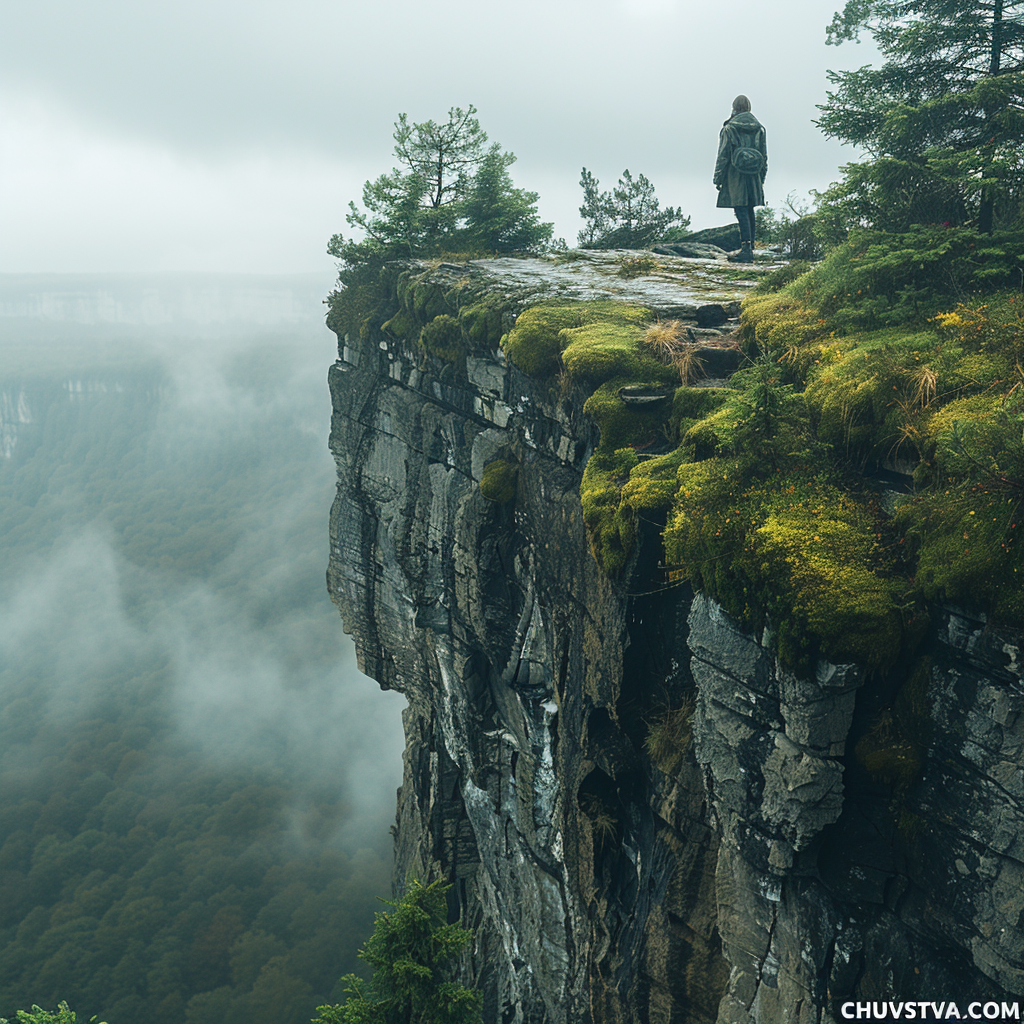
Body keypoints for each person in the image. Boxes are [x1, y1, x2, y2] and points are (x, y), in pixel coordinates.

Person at [713, 95, 767, 264]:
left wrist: (718, 177)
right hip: (754, 175)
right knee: (749, 208)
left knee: (740, 208)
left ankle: (745, 251)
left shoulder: (730, 128)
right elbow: (764, 156)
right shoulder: (760, 129)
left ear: (734, 108)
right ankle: (749, 248)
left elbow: (723, 155)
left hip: (735, 174)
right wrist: (762, 177)